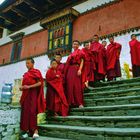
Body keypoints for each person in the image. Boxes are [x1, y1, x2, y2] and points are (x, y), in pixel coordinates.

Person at [20, 58, 46, 139]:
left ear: (32, 63)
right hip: (26, 95)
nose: (27, 65)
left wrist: (29, 87)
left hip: (33, 94)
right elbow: (25, 85)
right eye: (26, 63)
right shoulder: (26, 74)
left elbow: (40, 83)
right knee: (25, 112)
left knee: (32, 112)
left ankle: (35, 131)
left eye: (28, 63)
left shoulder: (36, 72)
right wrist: (22, 88)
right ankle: (27, 131)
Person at [65, 40, 84, 108]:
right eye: (74, 44)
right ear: (72, 45)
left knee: (77, 86)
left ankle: (79, 103)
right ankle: (71, 102)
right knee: (70, 86)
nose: (75, 45)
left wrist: (80, 69)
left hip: (76, 68)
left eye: (76, 44)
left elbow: (82, 61)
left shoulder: (80, 51)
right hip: (70, 71)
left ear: (78, 45)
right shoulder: (71, 54)